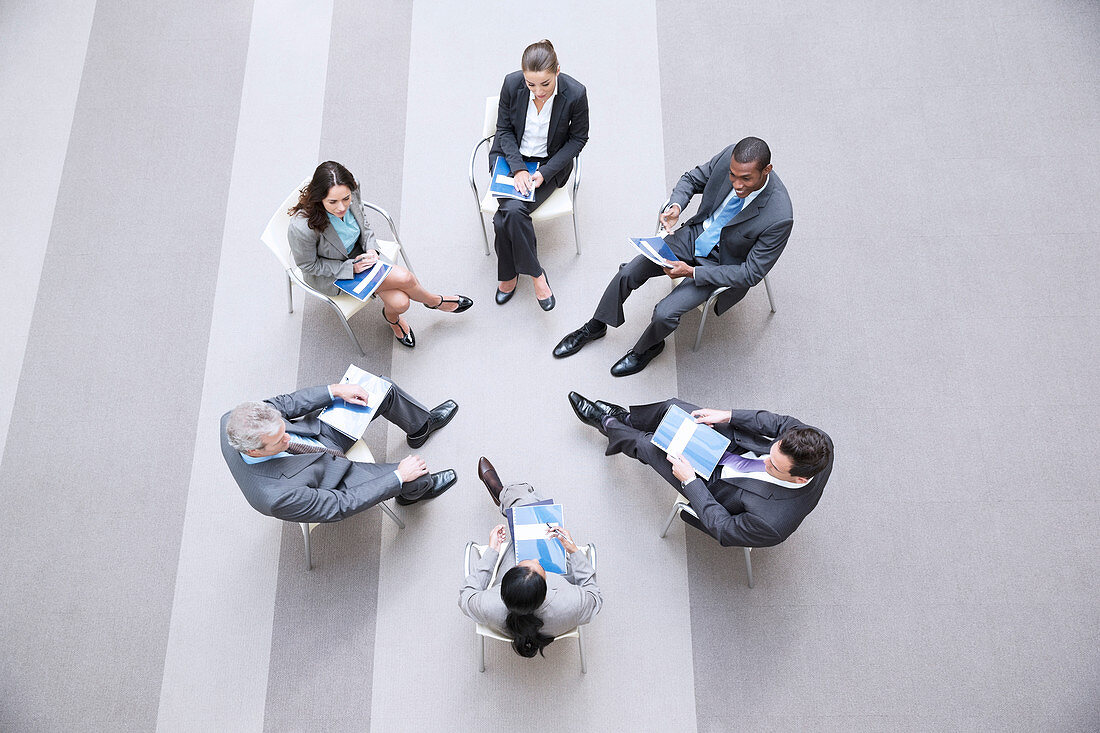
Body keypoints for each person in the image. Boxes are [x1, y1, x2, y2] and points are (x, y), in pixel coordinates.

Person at [553, 137, 793, 376]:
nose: (737, 184)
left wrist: (691, 272)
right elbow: (691, 179)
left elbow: (750, 274)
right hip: (695, 235)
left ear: (766, 170)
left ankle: (647, 348)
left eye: (746, 179)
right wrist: (676, 206)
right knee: (628, 272)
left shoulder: (779, 216)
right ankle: (596, 325)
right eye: (733, 176)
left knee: (664, 313)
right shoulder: (732, 157)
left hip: (721, 265)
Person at [567, 392, 832, 548]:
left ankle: (606, 422)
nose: (766, 461)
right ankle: (626, 418)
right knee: (673, 409)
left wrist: (690, 481)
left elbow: (725, 528)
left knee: (647, 444)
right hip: (736, 448)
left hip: (713, 486)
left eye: (773, 466)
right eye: (771, 452)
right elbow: (780, 423)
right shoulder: (818, 442)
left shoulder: (772, 523)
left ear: (800, 478)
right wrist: (728, 416)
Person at [288, 161, 472, 348]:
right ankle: (435, 301)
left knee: (401, 303)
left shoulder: (353, 186)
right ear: (319, 198)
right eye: (332, 202)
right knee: (406, 279)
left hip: (362, 254)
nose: (342, 207)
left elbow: (363, 224)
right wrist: (350, 268)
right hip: (334, 272)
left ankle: (392, 318)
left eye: (346, 198)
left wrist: (371, 249)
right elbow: (308, 266)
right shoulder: (302, 227)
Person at [221, 380, 460, 523]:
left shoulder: (234, 419)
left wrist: (334, 390)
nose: (286, 437)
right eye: (278, 440)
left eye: (284, 429)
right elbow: (339, 505)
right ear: (254, 451)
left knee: (380, 389)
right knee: (417, 478)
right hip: (334, 481)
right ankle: (409, 495)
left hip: (318, 434)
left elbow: (284, 404)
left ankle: (420, 427)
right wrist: (397, 478)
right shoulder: (278, 498)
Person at [459, 457, 602, 658]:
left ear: (503, 587)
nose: (534, 559)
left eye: (523, 564)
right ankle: (508, 495)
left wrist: (492, 550)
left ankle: (506, 495)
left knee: (525, 512)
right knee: (532, 510)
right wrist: (573, 551)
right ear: (546, 591)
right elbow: (595, 596)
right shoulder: (573, 604)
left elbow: (466, 596)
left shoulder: (488, 605)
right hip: (562, 575)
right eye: (535, 565)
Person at [488, 39, 589, 311]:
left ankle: (508, 274)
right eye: (531, 84)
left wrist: (544, 173)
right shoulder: (511, 84)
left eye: (545, 84)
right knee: (514, 210)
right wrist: (518, 167)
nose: (538, 91)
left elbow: (578, 139)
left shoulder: (576, 93)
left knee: (504, 217)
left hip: (548, 164)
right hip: (510, 160)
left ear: (557, 71)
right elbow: (504, 130)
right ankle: (536, 274)